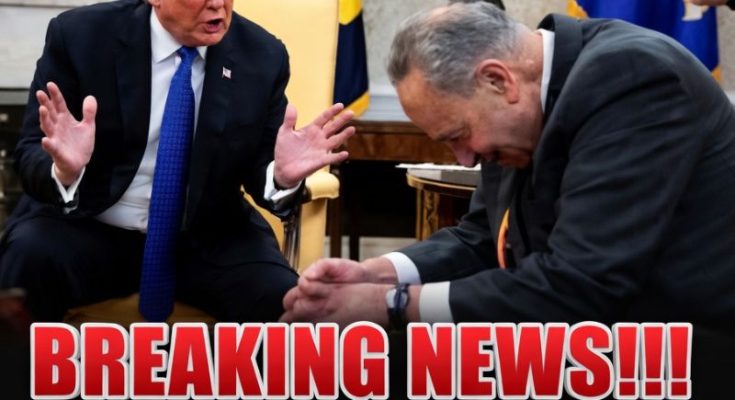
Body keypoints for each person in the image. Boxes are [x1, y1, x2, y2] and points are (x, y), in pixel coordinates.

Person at [281, 1, 735, 335]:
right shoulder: (524, 109)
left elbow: (582, 283)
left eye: (458, 135)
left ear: (497, 80)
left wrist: (393, 304)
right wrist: (380, 273)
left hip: (685, 350)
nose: (465, 158)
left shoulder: (632, 77)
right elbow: (483, 236)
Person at [0, 0, 354, 323]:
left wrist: (281, 177)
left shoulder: (262, 55)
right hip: (90, 224)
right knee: (26, 262)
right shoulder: (81, 36)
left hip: (207, 235)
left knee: (283, 300)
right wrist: (65, 171)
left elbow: (261, 169)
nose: (217, 5)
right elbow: (31, 151)